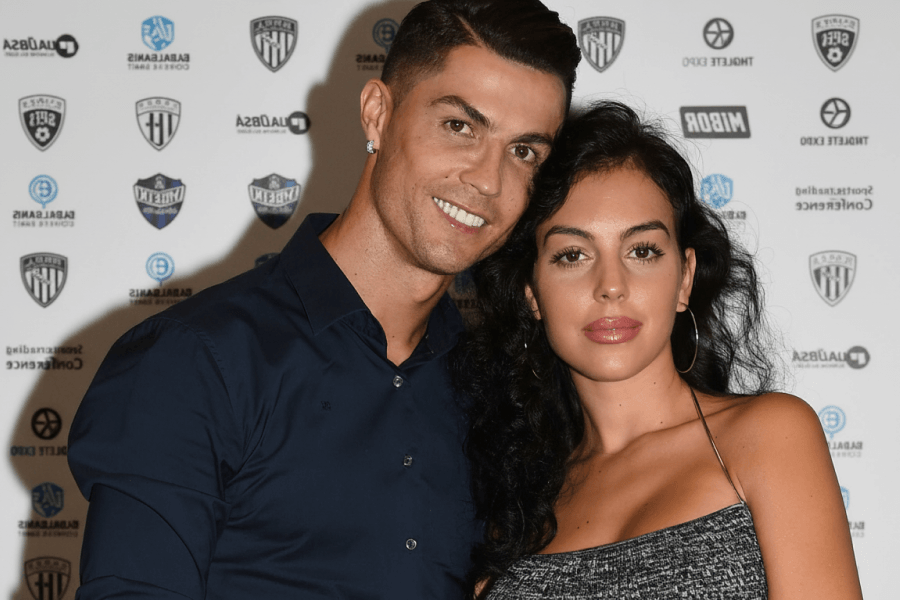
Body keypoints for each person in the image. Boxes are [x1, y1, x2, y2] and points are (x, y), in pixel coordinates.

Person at [67, 1, 580, 598]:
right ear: (377, 114)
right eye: (460, 127)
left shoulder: (491, 390)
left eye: (524, 152)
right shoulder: (197, 360)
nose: (488, 179)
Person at [455, 101, 863, 599]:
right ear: (532, 294)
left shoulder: (767, 436)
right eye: (572, 255)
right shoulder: (516, 503)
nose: (611, 285)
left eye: (642, 251)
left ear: (685, 277)